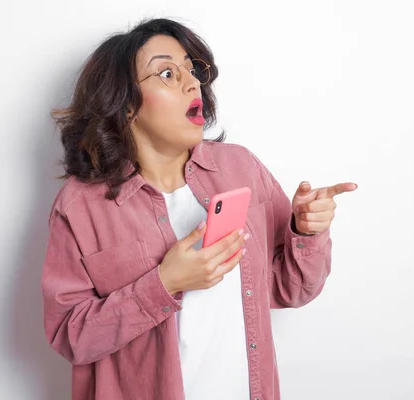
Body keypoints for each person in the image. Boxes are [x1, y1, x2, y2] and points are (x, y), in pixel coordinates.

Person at [41, 18, 357, 400]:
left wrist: (305, 232)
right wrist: (165, 283)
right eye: (168, 74)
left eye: (192, 70)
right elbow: (69, 336)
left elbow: (289, 290)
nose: (193, 83)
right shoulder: (81, 206)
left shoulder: (240, 168)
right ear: (126, 105)